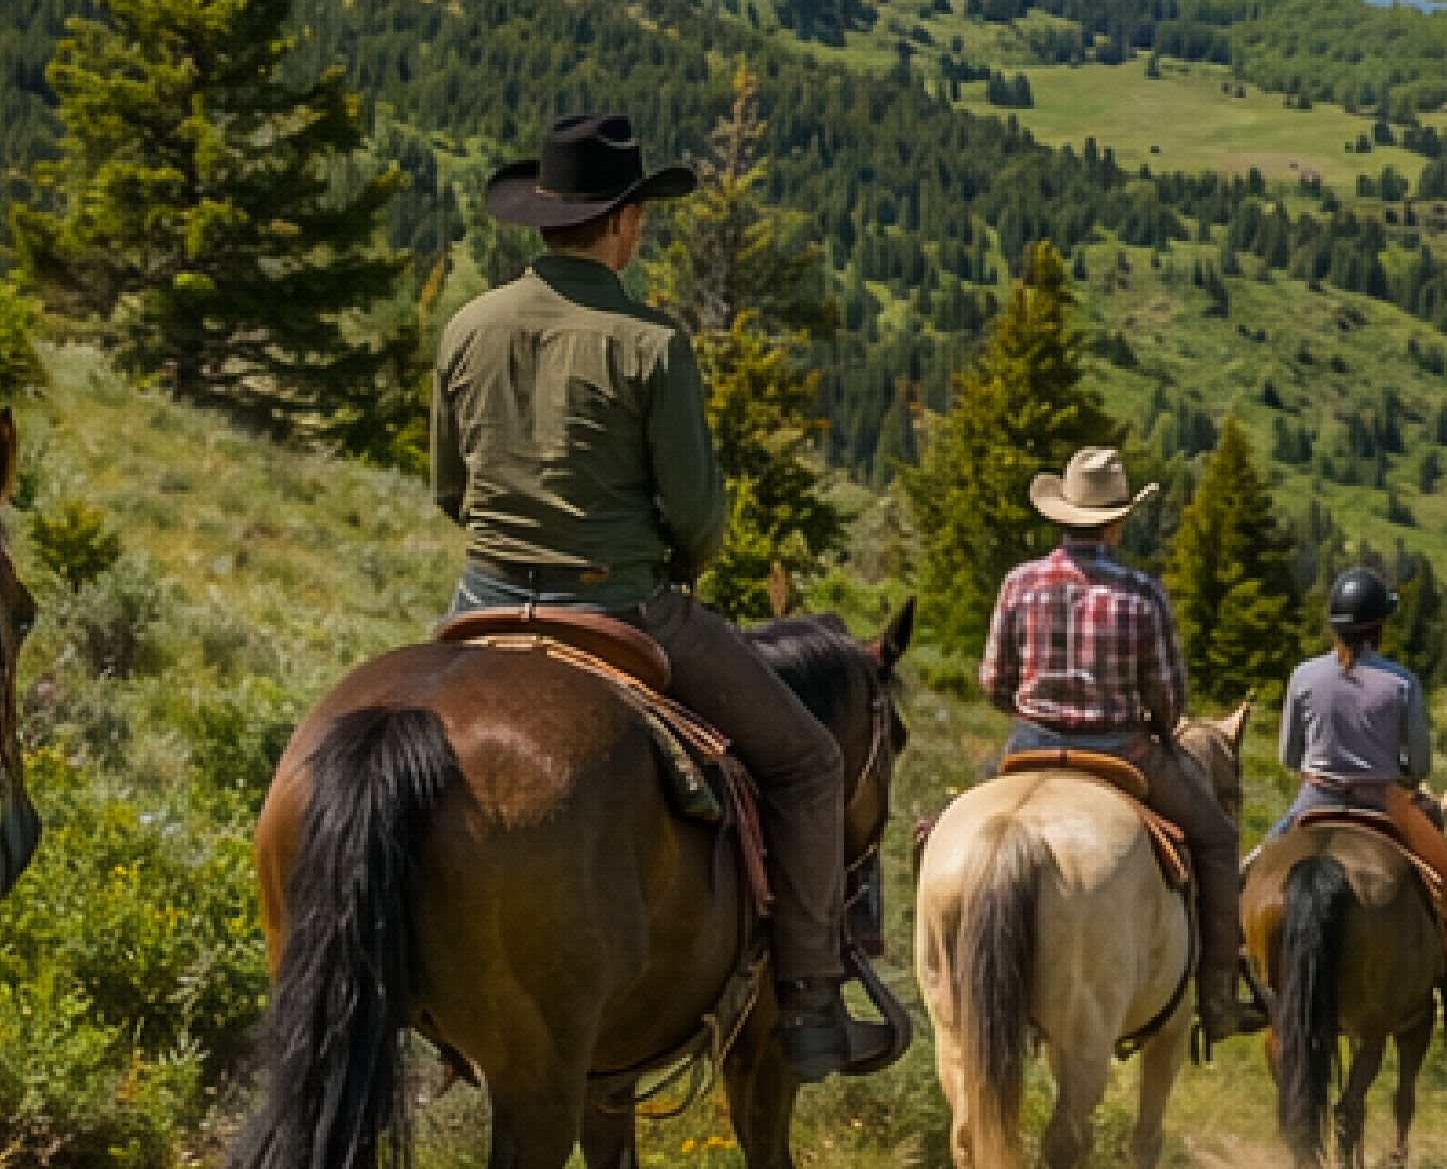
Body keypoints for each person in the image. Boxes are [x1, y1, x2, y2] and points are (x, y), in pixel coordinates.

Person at [430, 111, 900, 1083]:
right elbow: (696, 524)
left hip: (474, 602)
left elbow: (447, 488)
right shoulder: (649, 343)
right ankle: (811, 1000)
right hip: (624, 608)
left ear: (544, 217)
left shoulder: (465, 325)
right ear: (623, 222)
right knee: (810, 764)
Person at [980, 447, 1261, 1038]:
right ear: (1118, 519)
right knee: (1215, 839)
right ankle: (1217, 999)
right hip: (1120, 752)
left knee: (952, 827)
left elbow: (992, 682)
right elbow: (1169, 701)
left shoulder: (1019, 582)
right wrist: (1149, 722)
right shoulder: (1141, 593)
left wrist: (1037, 714)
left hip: (1029, 743)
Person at [1277, 566, 1447, 1036]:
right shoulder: (1401, 684)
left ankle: (1236, 978)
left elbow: (1287, 756)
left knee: (1248, 873)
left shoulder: (1303, 676)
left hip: (1312, 799)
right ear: (1378, 626)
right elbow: (1418, 768)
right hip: (1383, 804)